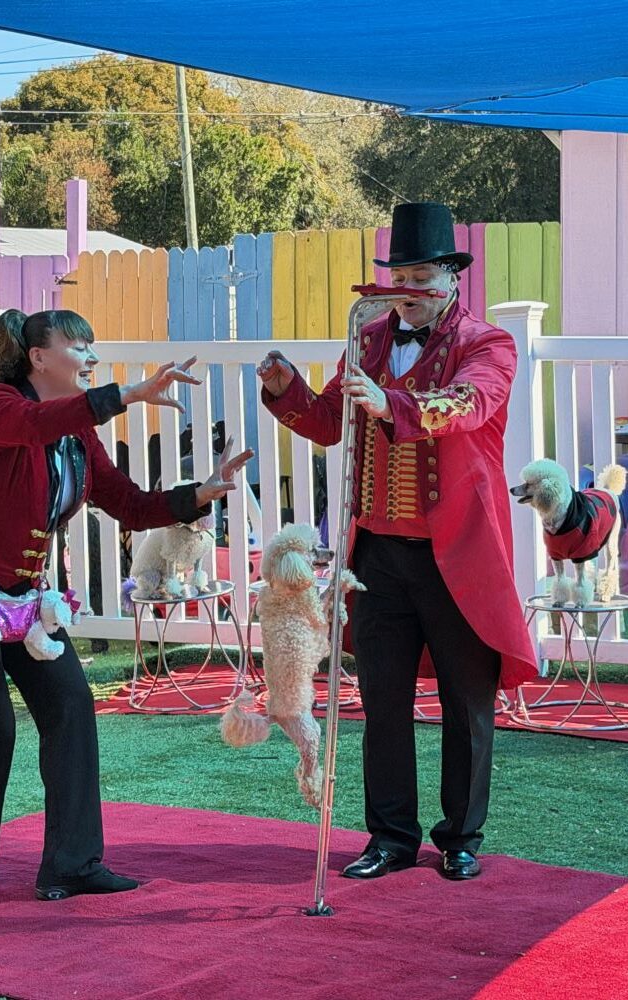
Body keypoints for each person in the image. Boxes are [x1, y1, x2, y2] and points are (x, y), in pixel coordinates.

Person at [0, 308, 253, 901]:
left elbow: (128, 505)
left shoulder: (78, 433)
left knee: (72, 706)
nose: (91, 357)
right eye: (78, 346)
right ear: (37, 357)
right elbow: (35, 423)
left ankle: (72, 864)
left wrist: (199, 494)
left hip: (24, 599)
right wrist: (129, 394)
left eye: (92, 346)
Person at [257, 203, 537, 881]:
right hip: (376, 555)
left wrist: (393, 404)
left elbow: (470, 403)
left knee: (466, 702)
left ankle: (461, 837)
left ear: (450, 278)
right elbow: (331, 421)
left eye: (420, 275)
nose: (406, 287)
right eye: (399, 275)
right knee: (382, 700)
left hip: (458, 554)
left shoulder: (488, 344)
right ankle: (390, 838)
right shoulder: (369, 339)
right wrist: (286, 389)